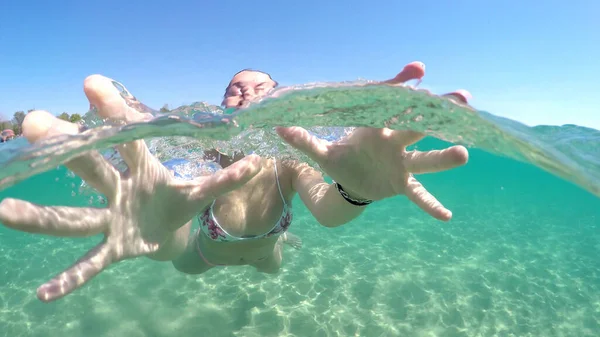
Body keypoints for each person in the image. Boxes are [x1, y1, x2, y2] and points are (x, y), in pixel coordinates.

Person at [0, 63, 470, 303]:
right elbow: (175, 223)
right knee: (178, 255)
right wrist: (159, 232)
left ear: (282, 99)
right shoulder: (204, 158)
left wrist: (358, 189)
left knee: (272, 265)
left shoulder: (288, 161)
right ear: (222, 104)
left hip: (268, 254)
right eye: (235, 87)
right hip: (201, 255)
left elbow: (329, 212)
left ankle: (285, 241)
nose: (245, 91)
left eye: (260, 87)